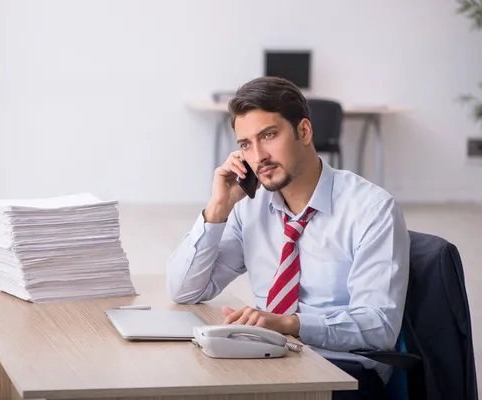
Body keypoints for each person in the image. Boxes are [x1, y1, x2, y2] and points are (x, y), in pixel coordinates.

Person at [166, 76, 410, 400]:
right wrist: (217, 209)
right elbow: (184, 290)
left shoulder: (371, 209)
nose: (258, 156)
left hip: (344, 373)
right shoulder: (249, 207)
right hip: (269, 358)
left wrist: (290, 324)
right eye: (245, 144)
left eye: (268, 135)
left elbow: (378, 327)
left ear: (304, 132)